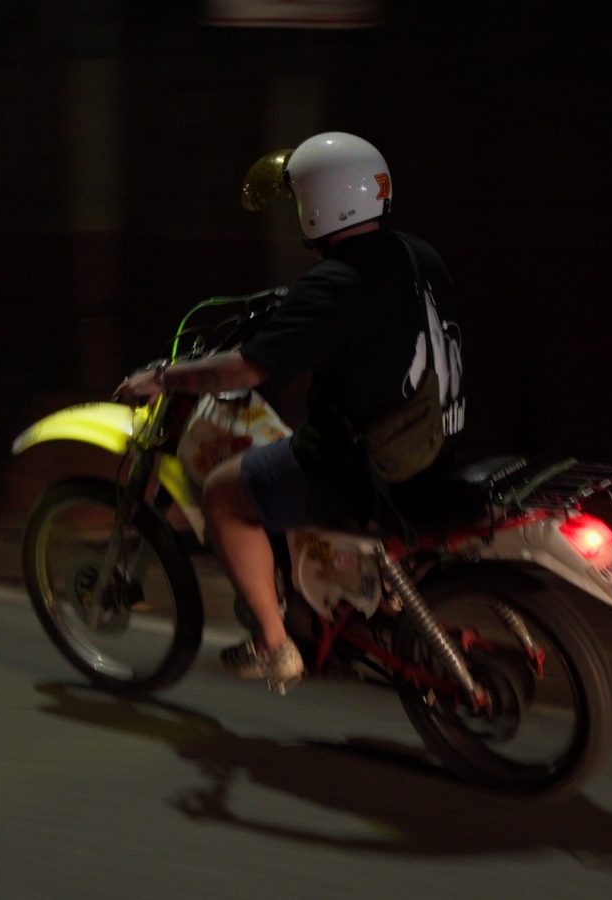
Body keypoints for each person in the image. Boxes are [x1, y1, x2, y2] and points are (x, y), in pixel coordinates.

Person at [114, 132, 465, 689]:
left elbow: (248, 370)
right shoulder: (416, 252)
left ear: (319, 203)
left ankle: (274, 646)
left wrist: (165, 378)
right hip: (441, 434)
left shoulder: (335, 282)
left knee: (225, 494)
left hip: (372, 459)